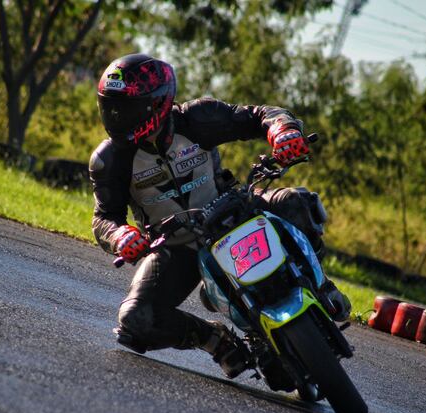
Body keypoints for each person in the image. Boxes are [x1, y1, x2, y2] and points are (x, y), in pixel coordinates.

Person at [89, 54, 350, 380]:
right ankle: (215, 340)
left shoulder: (196, 118)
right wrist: (120, 236)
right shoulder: (109, 159)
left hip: (235, 212)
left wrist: (282, 130)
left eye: (126, 108)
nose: (116, 117)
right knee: (135, 318)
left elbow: (259, 115)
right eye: (110, 107)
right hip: (178, 247)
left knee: (296, 202)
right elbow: (104, 219)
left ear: (156, 104)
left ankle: (322, 286)